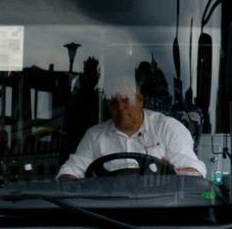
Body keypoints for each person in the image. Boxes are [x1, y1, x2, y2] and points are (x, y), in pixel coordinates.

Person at [57, 76, 204, 179]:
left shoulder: (169, 128)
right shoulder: (94, 136)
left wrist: (179, 174)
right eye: (113, 101)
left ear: (140, 100)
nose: (120, 107)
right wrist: (68, 179)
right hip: (107, 209)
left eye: (125, 99)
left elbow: (196, 173)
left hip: (159, 208)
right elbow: (70, 171)